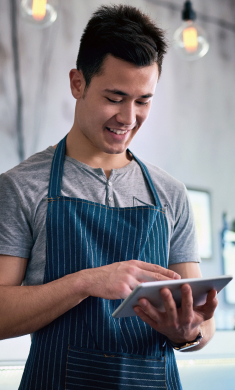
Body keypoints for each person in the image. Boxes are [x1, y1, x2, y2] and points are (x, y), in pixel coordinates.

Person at [0, 4, 218, 390]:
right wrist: (86, 282)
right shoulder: (21, 186)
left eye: (143, 101)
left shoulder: (171, 194)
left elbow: (203, 325)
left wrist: (187, 333)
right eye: (115, 97)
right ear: (77, 83)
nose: (129, 117)